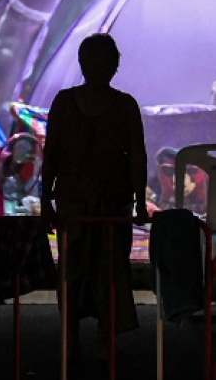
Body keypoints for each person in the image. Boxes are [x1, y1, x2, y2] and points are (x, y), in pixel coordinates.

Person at [39, 33, 148, 361]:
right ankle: (80, 336)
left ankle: (95, 335)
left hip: (104, 202)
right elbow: (53, 154)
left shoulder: (118, 105)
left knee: (101, 270)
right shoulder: (116, 105)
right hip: (84, 202)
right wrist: (46, 200)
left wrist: (140, 201)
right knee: (86, 271)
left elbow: (137, 157)